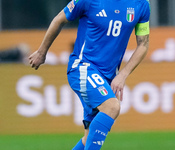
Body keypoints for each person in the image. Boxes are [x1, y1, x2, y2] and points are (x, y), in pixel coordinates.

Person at [29, 0, 150, 149]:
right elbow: (59, 19)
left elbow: (143, 44)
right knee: (112, 107)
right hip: (82, 68)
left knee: (89, 138)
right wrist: (42, 52)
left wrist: (123, 74)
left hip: (107, 76)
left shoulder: (141, 4)